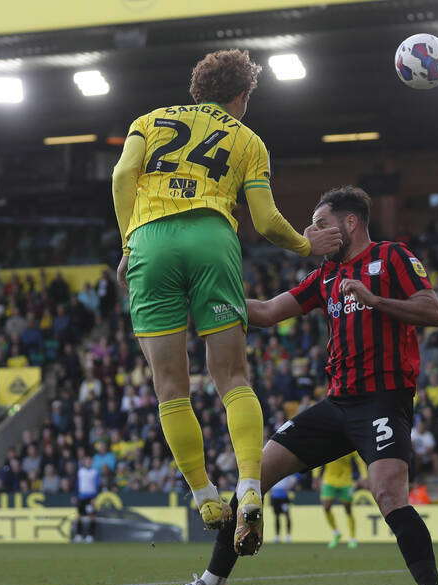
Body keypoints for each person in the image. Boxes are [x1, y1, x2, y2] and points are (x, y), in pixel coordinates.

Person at [153, 186, 438, 585]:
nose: (311, 232)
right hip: (338, 403)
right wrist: (198, 294)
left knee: (389, 492)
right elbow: (265, 312)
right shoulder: (327, 276)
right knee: (255, 473)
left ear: (349, 223)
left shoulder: (392, 257)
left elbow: (433, 312)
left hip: (383, 400)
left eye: (319, 224)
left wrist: (375, 301)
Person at [111, 49, 342, 554]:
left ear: (198, 89)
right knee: (232, 378)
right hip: (213, 240)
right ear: (241, 96)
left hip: (150, 238)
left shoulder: (148, 122)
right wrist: (307, 245)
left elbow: (121, 178)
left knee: (170, 387)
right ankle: (251, 486)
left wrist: (130, 242)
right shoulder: (247, 139)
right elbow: (265, 220)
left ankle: (203, 496)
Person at [314, 451, 367, 549]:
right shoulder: (327, 444)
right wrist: (316, 477)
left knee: (348, 510)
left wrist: (364, 476)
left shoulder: (350, 445)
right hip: (329, 481)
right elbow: (318, 459)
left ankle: (352, 538)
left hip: (346, 482)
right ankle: (336, 533)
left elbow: (360, 461)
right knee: (326, 507)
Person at [74, 456, 99, 543]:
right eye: (87, 461)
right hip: (81, 497)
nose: (88, 462)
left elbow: (97, 485)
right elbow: (77, 484)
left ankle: (90, 536)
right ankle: (78, 535)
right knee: (79, 516)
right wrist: (75, 496)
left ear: (91, 462)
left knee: (92, 517)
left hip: (90, 497)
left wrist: (95, 497)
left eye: (90, 461)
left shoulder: (94, 472)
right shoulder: (80, 472)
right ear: (84, 462)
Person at [268, 473, 298, 543]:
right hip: (275, 497)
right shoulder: (273, 473)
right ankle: (277, 536)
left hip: (284, 497)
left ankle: (288, 536)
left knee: (287, 515)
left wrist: (289, 486)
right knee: (276, 516)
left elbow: (294, 478)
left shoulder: (285, 471)